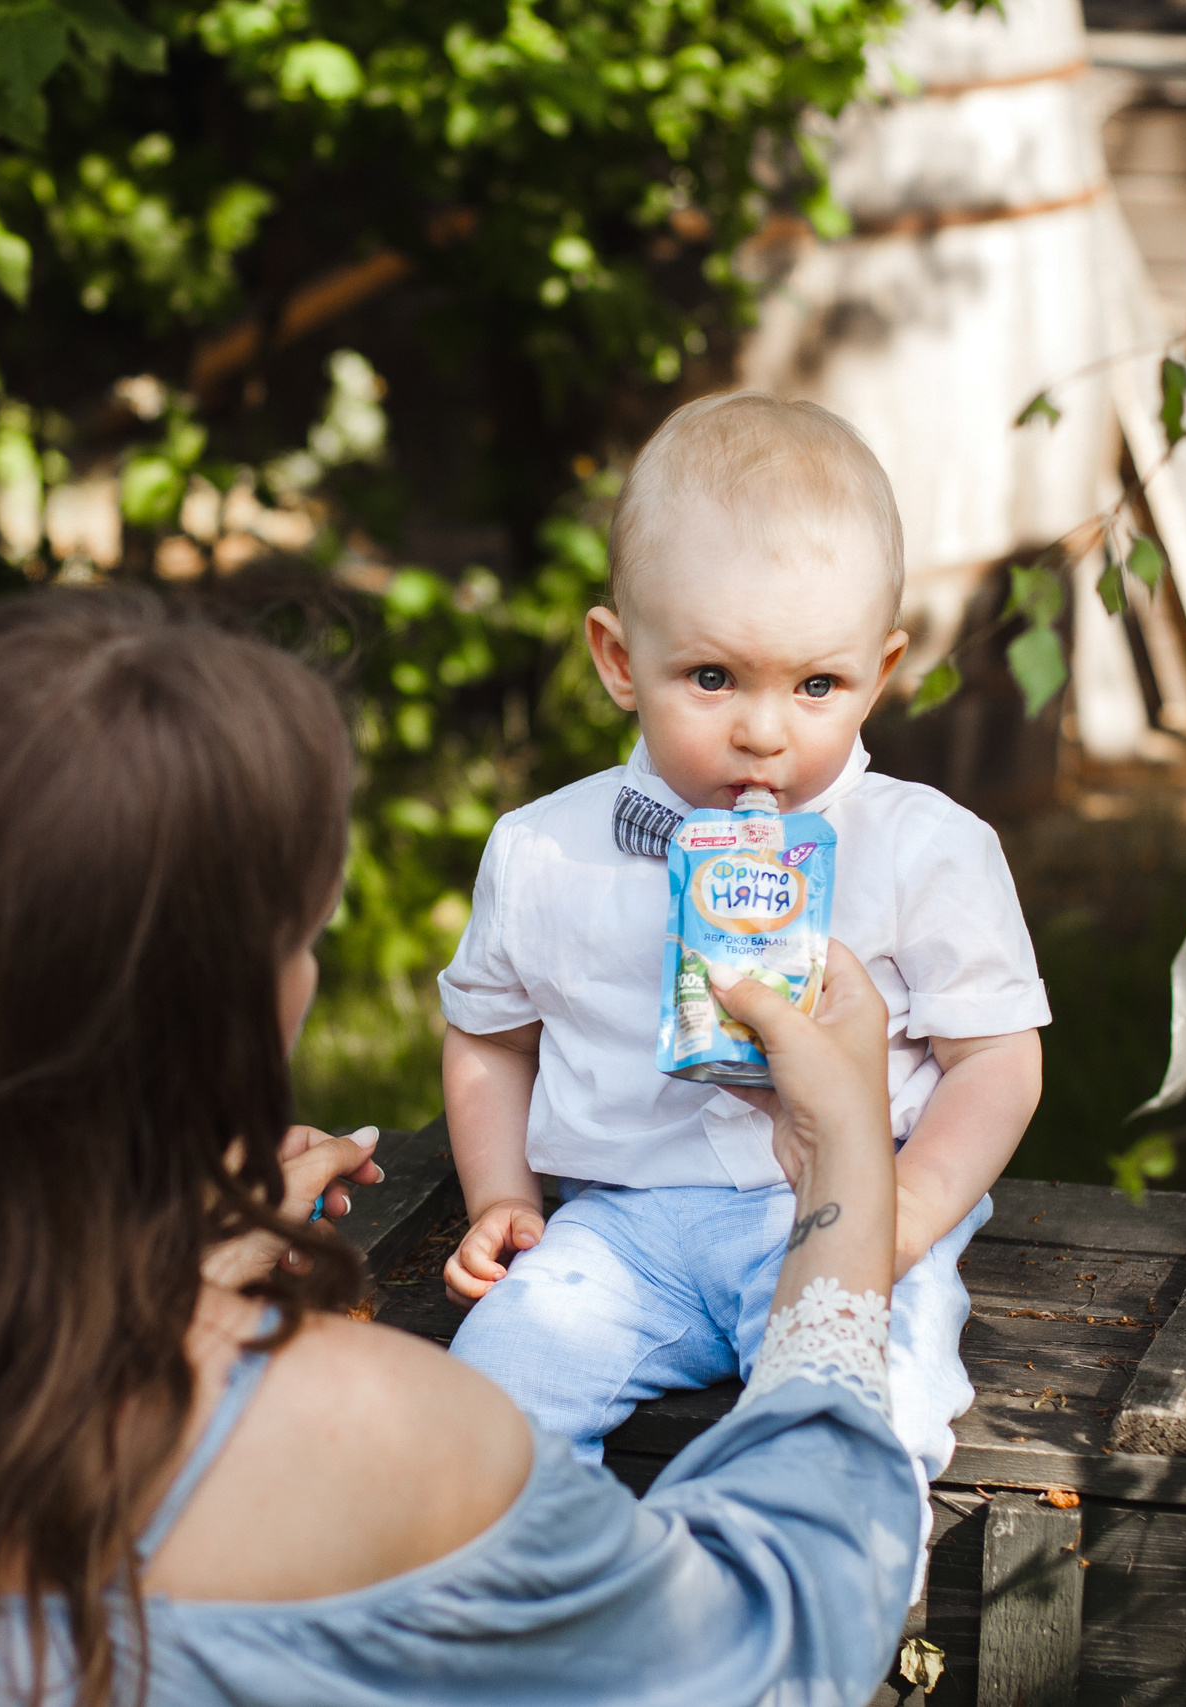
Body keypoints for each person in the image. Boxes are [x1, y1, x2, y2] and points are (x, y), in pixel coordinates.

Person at [0, 590, 920, 1707]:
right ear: (232, 999)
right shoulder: (387, 1437)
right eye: (304, 938)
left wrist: (157, 1244)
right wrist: (850, 1165)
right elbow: (779, 1631)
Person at [436, 391, 1049, 1592]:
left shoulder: (928, 849)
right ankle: (517, 1617)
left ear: (877, 674)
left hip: (842, 1210)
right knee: (498, 1378)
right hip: (621, 1228)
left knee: (872, 1396)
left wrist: (907, 1210)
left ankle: (781, 1609)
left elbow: (999, 1058)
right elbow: (489, 1037)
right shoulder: (545, 850)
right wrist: (503, 1191)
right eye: (712, 677)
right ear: (621, 659)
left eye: (815, 686)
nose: (765, 733)